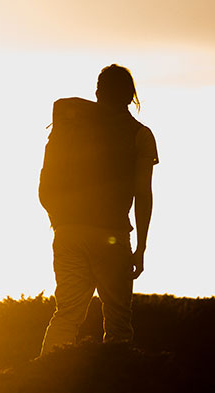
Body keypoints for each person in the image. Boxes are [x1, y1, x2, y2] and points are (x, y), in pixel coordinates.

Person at [39, 64, 158, 353]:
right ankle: (114, 388)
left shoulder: (70, 125)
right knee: (117, 320)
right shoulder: (139, 134)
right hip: (112, 235)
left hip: (67, 231)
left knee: (66, 314)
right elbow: (143, 194)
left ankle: (45, 383)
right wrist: (140, 247)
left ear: (97, 92)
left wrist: (59, 221)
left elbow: (45, 181)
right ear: (131, 96)